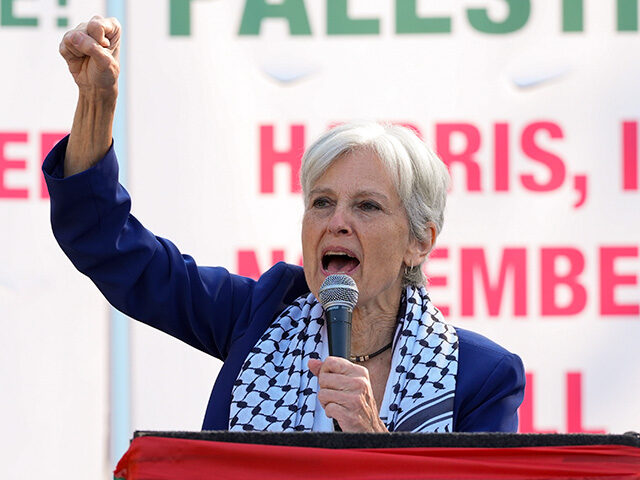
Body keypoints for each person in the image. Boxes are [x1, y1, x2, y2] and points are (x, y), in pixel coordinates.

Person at [45, 15, 525, 433]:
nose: (336, 222)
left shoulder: (482, 377)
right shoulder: (258, 314)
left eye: (367, 207)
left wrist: (371, 435)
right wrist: (96, 102)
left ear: (419, 242)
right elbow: (107, 243)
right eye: (321, 202)